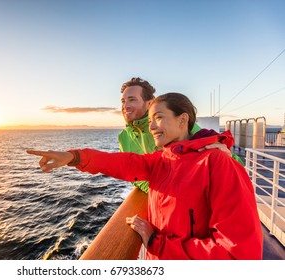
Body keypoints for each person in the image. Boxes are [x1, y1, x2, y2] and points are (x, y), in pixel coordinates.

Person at [27, 92, 263, 259]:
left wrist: (155, 243)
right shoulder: (162, 160)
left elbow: (238, 254)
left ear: (183, 120)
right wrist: (73, 157)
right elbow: (121, 162)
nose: (151, 127)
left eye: (158, 117)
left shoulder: (216, 162)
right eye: (149, 120)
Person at [119, 77, 244, 193]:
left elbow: (235, 165)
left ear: (149, 103)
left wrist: (229, 159)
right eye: (123, 101)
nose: (125, 106)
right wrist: (156, 191)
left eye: (132, 100)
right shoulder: (123, 138)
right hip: (163, 203)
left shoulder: (175, 124)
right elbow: (132, 173)